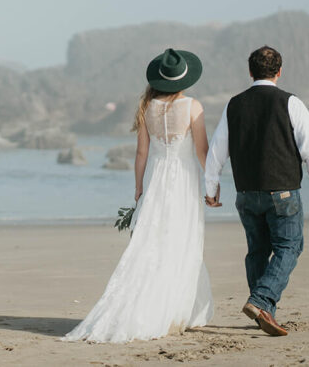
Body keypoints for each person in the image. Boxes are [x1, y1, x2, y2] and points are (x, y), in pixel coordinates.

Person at [64, 48, 213, 342]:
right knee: (181, 241)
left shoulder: (147, 107)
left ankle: (159, 308)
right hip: (183, 181)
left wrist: (138, 187)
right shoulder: (193, 106)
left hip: (157, 180)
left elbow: (141, 152)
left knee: (153, 243)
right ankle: (175, 310)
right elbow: (201, 151)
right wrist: (214, 184)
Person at [204, 45, 309, 337]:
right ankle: (261, 301)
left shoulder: (234, 104)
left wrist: (211, 187)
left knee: (257, 250)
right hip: (282, 190)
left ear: (250, 72)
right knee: (290, 246)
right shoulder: (290, 102)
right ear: (279, 71)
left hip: (246, 192)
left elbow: (217, 150)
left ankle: (264, 309)